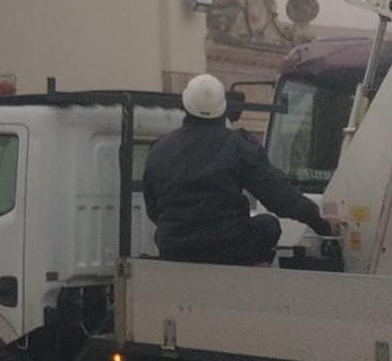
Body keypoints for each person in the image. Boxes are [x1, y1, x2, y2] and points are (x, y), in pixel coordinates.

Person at [142, 73, 332, 265]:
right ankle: (254, 277)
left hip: (175, 249)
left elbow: (153, 208)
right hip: (229, 250)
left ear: (185, 105)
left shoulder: (160, 149)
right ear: (223, 108)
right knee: (268, 224)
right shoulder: (238, 147)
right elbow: (279, 196)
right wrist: (321, 223)